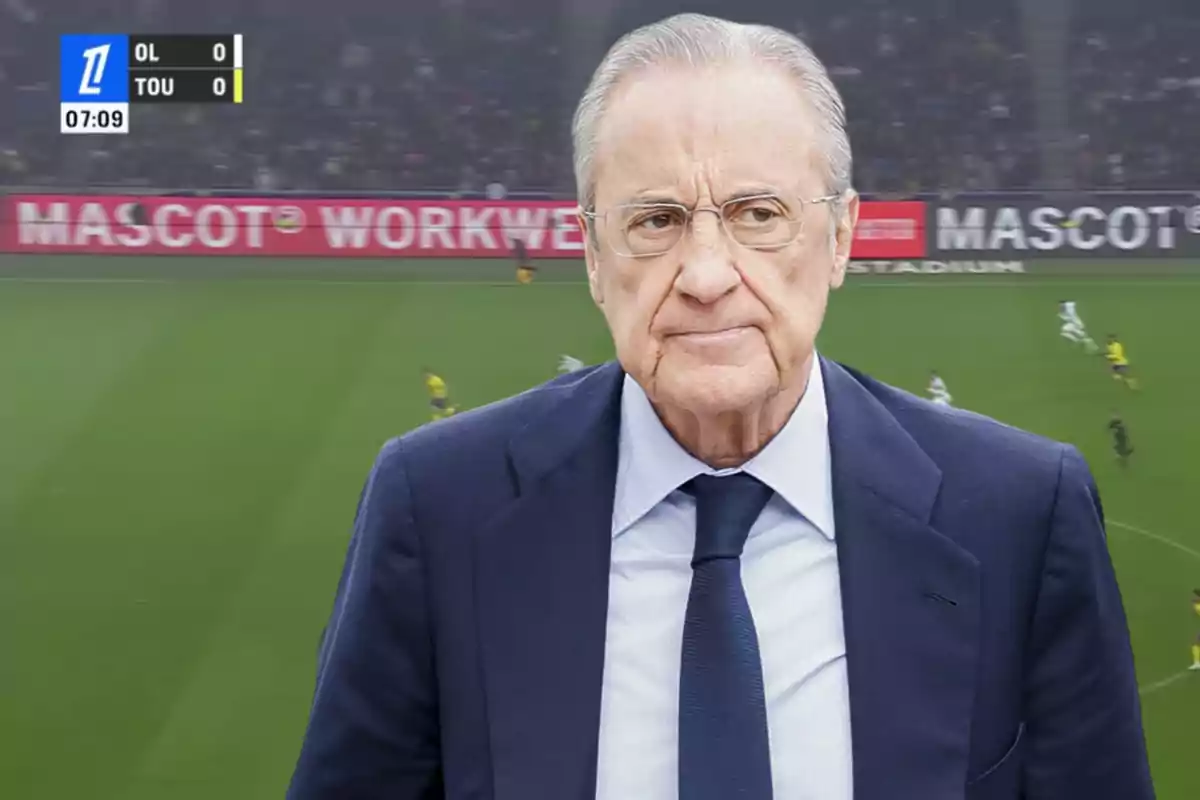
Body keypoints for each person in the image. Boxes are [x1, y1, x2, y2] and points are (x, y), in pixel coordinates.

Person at [287, 14, 1152, 800]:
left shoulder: (1020, 512)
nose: (706, 275)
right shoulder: (436, 506)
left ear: (842, 236)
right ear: (592, 253)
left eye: (758, 213)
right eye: (656, 221)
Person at [1191, 589, 1200, 671]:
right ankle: (1197, 663)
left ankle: (1197, 663)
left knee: (1196, 643)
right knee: (1196, 643)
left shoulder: (1198, 606)